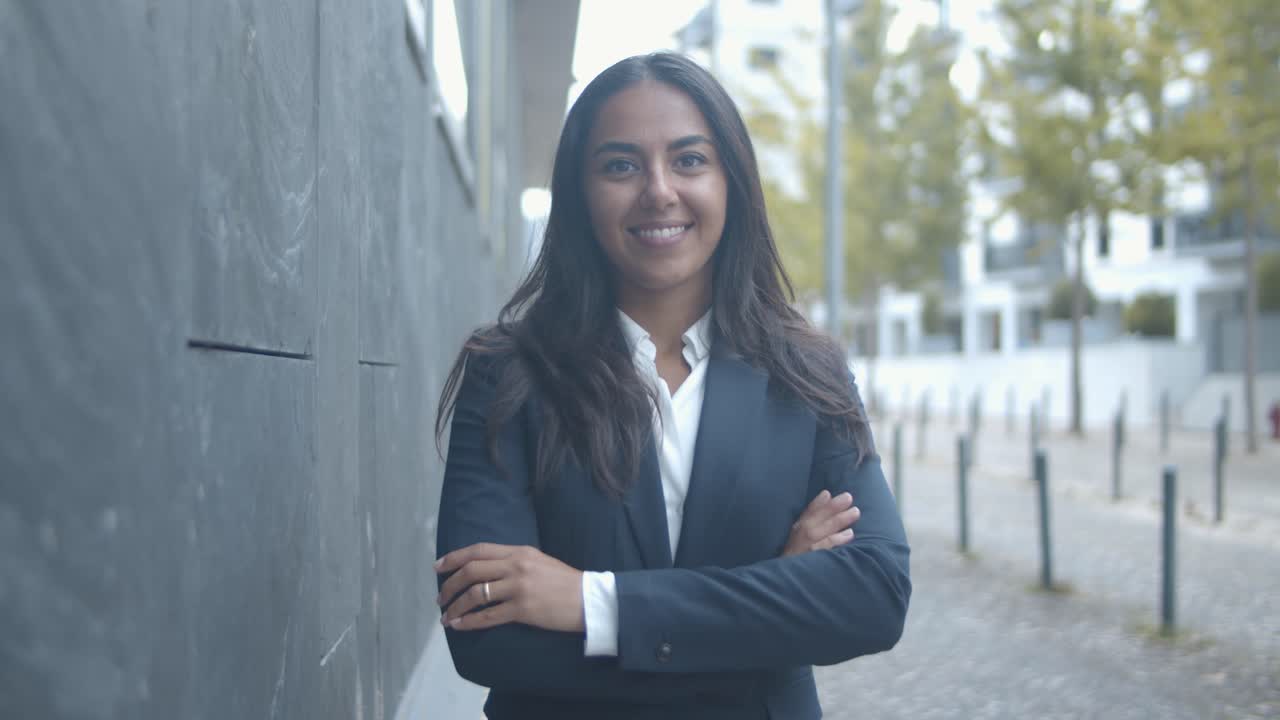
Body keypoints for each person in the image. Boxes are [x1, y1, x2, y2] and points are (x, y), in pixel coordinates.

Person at [433, 52, 910, 720]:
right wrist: (771, 604)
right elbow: (488, 642)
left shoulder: (808, 376)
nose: (659, 190)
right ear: (579, 192)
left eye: (689, 160)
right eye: (621, 165)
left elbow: (875, 597)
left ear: (731, 182)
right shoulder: (509, 375)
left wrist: (592, 604)